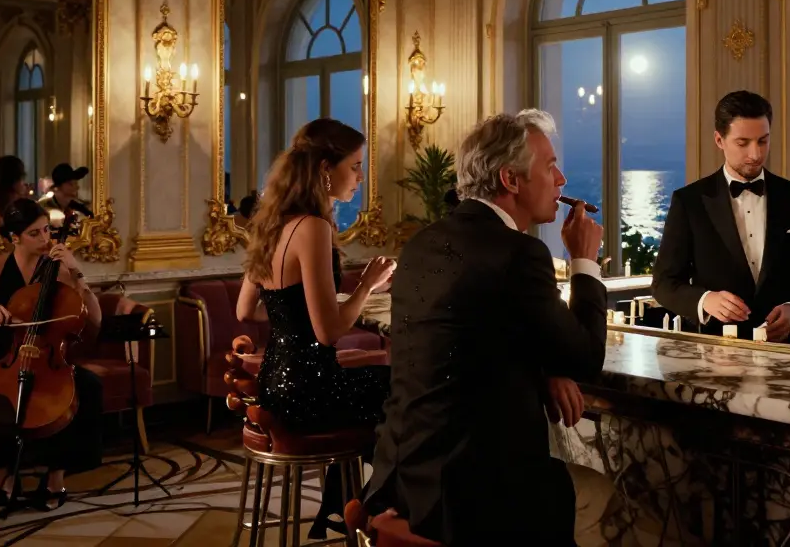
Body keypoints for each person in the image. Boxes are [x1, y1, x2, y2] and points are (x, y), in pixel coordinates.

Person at [363, 109, 607, 546]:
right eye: (550, 166)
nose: (563, 180)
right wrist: (585, 260)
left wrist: (545, 368)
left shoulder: (422, 243)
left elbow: (475, 336)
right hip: (474, 500)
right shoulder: (520, 253)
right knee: (605, 501)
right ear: (511, 180)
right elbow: (586, 358)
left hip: (403, 476)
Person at [235, 118, 395, 539]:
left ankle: (344, 508)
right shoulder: (314, 227)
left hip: (275, 383)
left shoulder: (273, 223)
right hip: (309, 390)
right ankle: (373, 512)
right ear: (327, 168)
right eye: (355, 166)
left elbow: (245, 311)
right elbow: (329, 333)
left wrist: (297, 314)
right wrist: (367, 286)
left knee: (386, 387)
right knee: (406, 391)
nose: (360, 177)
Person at [0, 199, 103, 511]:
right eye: (35, 233)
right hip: (4, 354)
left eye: (47, 231)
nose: (46, 239)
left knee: (86, 389)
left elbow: (94, 318)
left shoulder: (58, 268)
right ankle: (2, 481)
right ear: (15, 237)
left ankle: (55, 478)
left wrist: (77, 270)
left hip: (50, 356)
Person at [652, 91, 790, 341]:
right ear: (719, 140)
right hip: (715, 353)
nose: (755, 154)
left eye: (763, 141)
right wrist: (706, 300)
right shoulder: (689, 202)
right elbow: (664, 283)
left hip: (783, 353)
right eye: (743, 143)